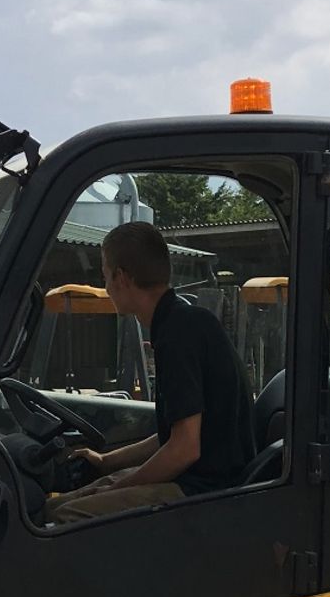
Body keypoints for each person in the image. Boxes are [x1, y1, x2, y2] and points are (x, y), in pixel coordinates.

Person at [50, 221, 255, 524]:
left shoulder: (177, 335)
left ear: (121, 277)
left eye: (105, 276)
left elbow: (184, 448)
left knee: (66, 517)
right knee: (60, 504)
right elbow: (173, 437)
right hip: (202, 480)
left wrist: (117, 489)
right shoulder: (185, 321)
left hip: (206, 491)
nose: (105, 286)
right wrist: (106, 462)